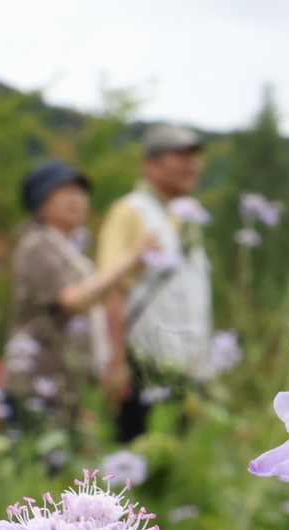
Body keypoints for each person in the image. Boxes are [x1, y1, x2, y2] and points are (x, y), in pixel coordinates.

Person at [1, 160, 156, 434]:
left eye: (80, 192)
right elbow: (74, 300)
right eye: (64, 191)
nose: (76, 199)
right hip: (37, 387)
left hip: (64, 390)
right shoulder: (37, 245)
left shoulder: (72, 253)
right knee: (40, 472)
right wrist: (131, 258)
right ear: (39, 201)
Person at [97, 124, 212, 444]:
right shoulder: (128, 211)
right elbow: (112, 287)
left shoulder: (186, 218)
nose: (192, 164)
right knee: (135, 460)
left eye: (194, 156)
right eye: (180, 156)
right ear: (150, 164)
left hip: (184, 367)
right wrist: (116, 360)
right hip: (142, 363)